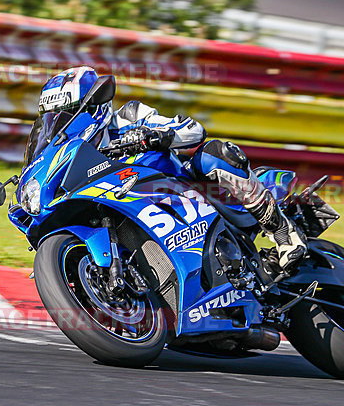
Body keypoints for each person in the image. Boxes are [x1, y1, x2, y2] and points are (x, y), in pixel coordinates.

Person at [37, 66, 307, 272]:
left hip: (186, 190)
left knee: (212, 155)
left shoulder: (129, 116)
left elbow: (193, 130)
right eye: (56, 118)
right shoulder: (77, 156)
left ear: (94, 105)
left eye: (70, 114)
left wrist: (157, 136)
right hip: (138, 209)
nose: (65, 124)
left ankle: (284, 232)